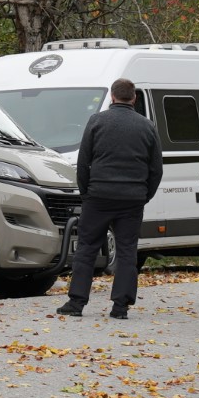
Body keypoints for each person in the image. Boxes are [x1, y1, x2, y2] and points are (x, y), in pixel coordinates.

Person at [56, 77, 163, 321]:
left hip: (99, 196)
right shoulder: (147, 126)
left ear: (112, 97)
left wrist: (87, 193)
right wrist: (144, 195)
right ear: (133, 98)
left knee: (86, 249)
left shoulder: (97, 121)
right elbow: (156, 168)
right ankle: (120, 306)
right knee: (127, 251)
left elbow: (83, 163)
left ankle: (76, 302)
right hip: (132, 199)